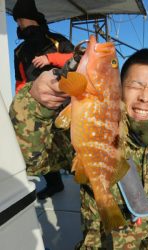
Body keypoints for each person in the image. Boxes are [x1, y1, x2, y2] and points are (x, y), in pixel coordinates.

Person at [9, 48, 148, 249]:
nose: (144, 96)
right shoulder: (95, 124)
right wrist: (36, 102)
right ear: (119, 90)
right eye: (135, 86)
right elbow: (33, 160)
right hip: (111, 238)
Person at [12, 0, 74, 199]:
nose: (19, 24)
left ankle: (87, 182)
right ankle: (55, 184)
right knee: (44, 148)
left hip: (66, 105)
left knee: (74, 145)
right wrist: (22, 103)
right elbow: (21, 81)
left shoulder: (56, 40)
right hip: (38, 110)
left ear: (24, 19)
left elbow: (78, 61)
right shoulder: (19, 51)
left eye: (19, 19)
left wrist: (51, 59)